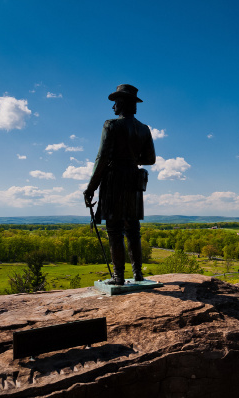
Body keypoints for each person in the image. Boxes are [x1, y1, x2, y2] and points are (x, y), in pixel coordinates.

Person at [84, 84, 156, 285]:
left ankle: (118, 276)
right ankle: (138, 274)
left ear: (122, 103)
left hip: (114, 180)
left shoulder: (111, 125)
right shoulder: (143, 129)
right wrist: (133, 157)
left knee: (114, 229)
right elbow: (150, 159)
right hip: (134, 180)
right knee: (133, 229)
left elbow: (102, 158)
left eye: (115, 102)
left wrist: (91, 188)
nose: (112, 107)